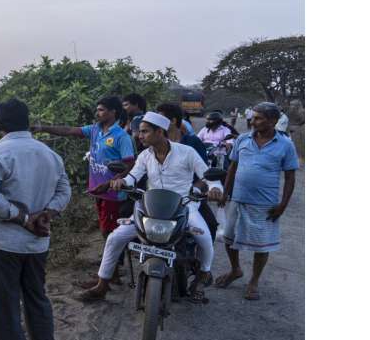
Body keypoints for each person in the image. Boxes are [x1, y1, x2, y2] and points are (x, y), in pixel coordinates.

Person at [77, 112, 223, 303]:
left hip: (184, 205)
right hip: (151, 206)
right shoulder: (145, 155)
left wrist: (214, 189)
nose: (139, 135)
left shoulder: (187, 152)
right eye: (140, 132)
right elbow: (133, 176)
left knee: (203, 236)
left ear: (160, 132)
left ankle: (202, 278)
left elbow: (208, 177)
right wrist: (122, 181)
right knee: (115, 237)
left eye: (144, 132)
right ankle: (102, 285)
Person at [0, 98, 72, 340]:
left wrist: (22, 217)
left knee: (5, 306)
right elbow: (65, 190)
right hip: (37, 245)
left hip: (2, 244)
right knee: (37, 300)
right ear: (27, 121)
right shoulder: (48, 154)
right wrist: (46, 214)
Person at [215, 102, 298, 301]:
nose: (253, 121)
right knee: (229, 238)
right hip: (238, 199)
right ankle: (236, 270)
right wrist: (225, 193)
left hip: (264, 204)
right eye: (253, 117)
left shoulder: (285, 144)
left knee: (262, 245)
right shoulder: (242, 139)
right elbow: (232, 168)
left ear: (273, 121)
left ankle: (254, 281)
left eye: (259, 118)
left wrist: (282, 206)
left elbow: (290, 178)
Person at [32, 97, 135, 238]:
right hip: (98, 191)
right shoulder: (94, 130)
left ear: (112, 112)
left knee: (110, 231)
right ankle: (115, 258)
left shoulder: (121, 136)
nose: (97, 113)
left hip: (113, 193)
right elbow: (69, 130)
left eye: (101, 110)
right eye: (97, 110)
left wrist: (109, 183)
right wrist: (42, 128)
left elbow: (130, 164)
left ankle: (116, 260)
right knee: (106, 229)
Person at [156, 102, 221, 241]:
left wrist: (196, 190)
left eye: (160, 119)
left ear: (173, 121)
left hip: (189, 197)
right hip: (160, 197)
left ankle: (200, 261)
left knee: (210, 225)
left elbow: (204, 174)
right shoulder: (156, 143)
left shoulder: (193, 142)